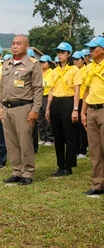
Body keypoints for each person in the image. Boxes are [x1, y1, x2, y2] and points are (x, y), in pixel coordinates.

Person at [0, 36, 43, 185]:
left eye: (19, 44)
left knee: (25, 142)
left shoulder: (32, 65)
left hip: (24, 108)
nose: (15, 46)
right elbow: (1, 88)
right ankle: (17, 171)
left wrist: (35, 110)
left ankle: (28, 172)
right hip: (7, 108)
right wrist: (0, 107)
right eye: (13, 44)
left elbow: (38, 89)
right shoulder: (7, 64)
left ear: (27, 46)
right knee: (11, 142)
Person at [46, 42, 81, 177]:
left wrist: (75, 109)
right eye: (58, 52)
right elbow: (51, 90)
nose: (60, 55)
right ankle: (60, 165)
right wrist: (48, 108)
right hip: (56, 102)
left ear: (69, 54)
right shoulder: (54, 72)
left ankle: (69, 166)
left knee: (69, 135)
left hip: (68, 102)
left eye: (62, 52)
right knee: (58, 136)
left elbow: (77, 90)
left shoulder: (74, 70)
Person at [81, 36, 104, 195]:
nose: (90, 51)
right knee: (95, 150)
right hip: (92, 111)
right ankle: (97, 185)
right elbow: (86, 90)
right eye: (89, 48)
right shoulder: (89, 68)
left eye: (94, 48)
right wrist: (83, 111)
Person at [72, 51, 88, 159]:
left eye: (77, 59)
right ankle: (77, 149)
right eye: (74, 59)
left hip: (84, 100)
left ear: (83, 60)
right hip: (75, 100)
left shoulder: (86, 70)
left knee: (83, 126)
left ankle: (83, 149)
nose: (75, 61)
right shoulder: (73, 70)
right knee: (75, 126)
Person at [37, 55, 54, 146]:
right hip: (39, 96)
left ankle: (50, 138)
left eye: (44, 62)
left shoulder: (52, 73)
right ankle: (43, 137)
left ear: (49, 63)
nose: (42, 64)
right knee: (39, 118)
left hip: (47, 96)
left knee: (47, 117)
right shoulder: (39, 72)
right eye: (41, 62)